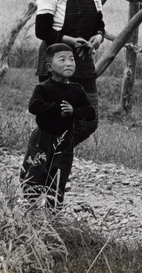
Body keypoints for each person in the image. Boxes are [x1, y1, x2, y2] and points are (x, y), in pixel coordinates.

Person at [34, 0, 112, 146]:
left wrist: (98, 37)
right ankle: (45, 156)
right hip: (56, 57)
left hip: (82, 58)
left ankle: (55, 151)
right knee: (55, 118)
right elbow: (42, 30)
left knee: (89, 120)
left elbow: (99, 24)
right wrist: (68, 40)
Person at [20, 42, 96, 207]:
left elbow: (90, 113)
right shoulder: (43, 88)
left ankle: (52, 212)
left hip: (65, 141)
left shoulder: (77, 90)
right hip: (42, 138)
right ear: (49, 67)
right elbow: (34, 106)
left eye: (71, 60)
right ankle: (29, 208)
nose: (69, 64)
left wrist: (73, 111)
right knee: (34, 173)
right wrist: (56, 109)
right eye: (62, 60)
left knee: (59, 177)